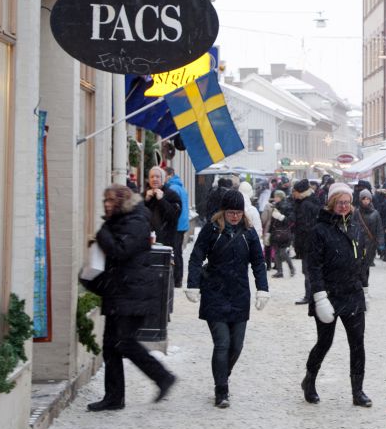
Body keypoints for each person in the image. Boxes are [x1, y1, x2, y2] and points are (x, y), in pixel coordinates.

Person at [87, 184, 177, 411]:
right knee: (111, 346)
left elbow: (121, 251)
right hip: (119, 292)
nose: (106, 205)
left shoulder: (136, 221)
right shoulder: (118, 221)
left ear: (121, 202)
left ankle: (163, 376)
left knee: (124, 343)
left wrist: (102, 235)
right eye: (105, 201)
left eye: (110, 201)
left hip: (132, 294)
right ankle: (114, 397)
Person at [185, 189, 269, 408]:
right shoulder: (211, 230)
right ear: (223, 211)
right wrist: (193, 284)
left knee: (236, 346)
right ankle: (221, 389)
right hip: (215, 292)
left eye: (238, 212)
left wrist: (263, 288)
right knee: (222, 343)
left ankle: (223, 373)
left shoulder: (249, 232)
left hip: (239, 294)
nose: (235, 216)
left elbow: (258, 262)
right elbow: (196, 257)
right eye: (231, 212)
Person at [302, 183, 371, 407]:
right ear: (331, 203)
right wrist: (319, 296)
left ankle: (357, 390)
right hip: (328, 294)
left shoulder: (356, 226)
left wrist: (365, 287)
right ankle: (310, 380)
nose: (344, 206)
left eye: (347, 202)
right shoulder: (319, 230)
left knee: (357, 343)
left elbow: (361, 260)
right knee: (325, 341)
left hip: (352, 292)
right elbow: (313, 267)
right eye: (340, 202)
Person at [291, 179, 322, 302]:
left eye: (294, 191)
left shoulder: (305, 205)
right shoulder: (311, 201)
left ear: (300, 192)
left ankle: (309, 296)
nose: (293, 194)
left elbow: (303, 227)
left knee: (308, 270)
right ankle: (314, 295)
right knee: (312, 270)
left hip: (308, 243)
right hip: (314, 242)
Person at [144, 166, 182, 251]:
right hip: (146, 241)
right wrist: (145, 200)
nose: (154, 179)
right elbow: (137, 216)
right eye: (152, 177)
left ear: (163, 179)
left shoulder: (172, 195)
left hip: (166, 241)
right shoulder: (144, 195)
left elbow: (174, 216)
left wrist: (161, 200)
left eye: (157, 177)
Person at [164, 167, 190, 287]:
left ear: (169, 175)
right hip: (182, 224)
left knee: (175, 252)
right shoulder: (181, 187)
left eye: (164, 175)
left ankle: (177, 279)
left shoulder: (172, 188)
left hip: (177, 224)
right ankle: (178, 278)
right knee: (178, 251)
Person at [355, 189, 383, 279]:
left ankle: (364, 282)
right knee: (359, 264)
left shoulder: (375, 213)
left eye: (368, 199)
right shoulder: (356, 212)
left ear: (370, 200)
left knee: (367, 264)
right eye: (364, 199)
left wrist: (381, 243)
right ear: (360, 200)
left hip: (371, 243)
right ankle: (361, 282)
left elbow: (379, 228)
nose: (366, 201)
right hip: (359, 243)